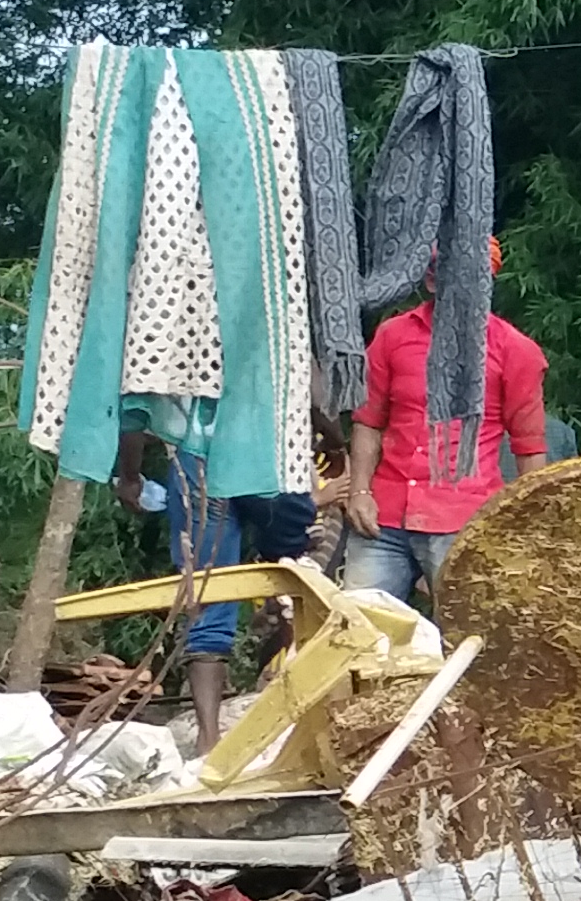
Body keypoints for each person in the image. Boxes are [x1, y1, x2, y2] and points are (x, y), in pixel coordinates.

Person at [343, 235, 551, 612]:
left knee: (466, 637)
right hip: (383, 517)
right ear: (430, 279)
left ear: (486, 281)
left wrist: (526, 531)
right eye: (444, 273)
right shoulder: (393, 336)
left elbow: (530, 451)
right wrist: (359, 492)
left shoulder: (516, 350)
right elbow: (368, 422)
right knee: (356, 632)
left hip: (464, 521)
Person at [112, 428, 319, 751]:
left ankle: (208, 739)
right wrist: (333, 441)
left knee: (210, 597)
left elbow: (137, 406)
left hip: (199, 458)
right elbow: (315, 393)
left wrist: (129, 476)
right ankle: (297, 724)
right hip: (272, 457)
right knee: (293, 574)